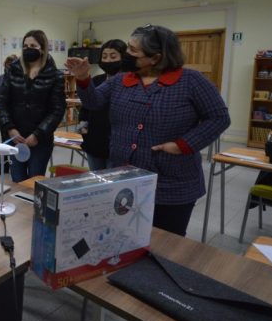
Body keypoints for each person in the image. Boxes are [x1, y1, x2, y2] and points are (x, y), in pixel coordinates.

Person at [65, 24, 230, 236]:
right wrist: (82, 78)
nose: (127, 54)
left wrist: (183, 145)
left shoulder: (191, 81)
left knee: (165, 244)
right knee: (123, 237)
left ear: (155, 58)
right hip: (123, 179)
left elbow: (219, 117)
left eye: (133, 51)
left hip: (171, 184)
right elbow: (94, 102)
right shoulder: (121, 80)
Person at [0, 30, 66, 182]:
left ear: (42, 49)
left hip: (40, 141)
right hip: (16, 139)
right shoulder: (12, 71)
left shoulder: (55, 75)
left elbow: (57, 110)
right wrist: (10, 128)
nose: (28, 49)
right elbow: (2, 102)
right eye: (25, 46)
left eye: (33, 45)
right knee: (17, 180)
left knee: (34, 182)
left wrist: (38, 134)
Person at [77, 39, 127, 171]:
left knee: (114, 185)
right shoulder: (96, 80)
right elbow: (85, 108)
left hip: (118, 145)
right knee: (97, 183)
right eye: (104, 56)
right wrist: (83, 128)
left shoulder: (129, 83)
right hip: (95, 142)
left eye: (113, 56)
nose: (108, 60)